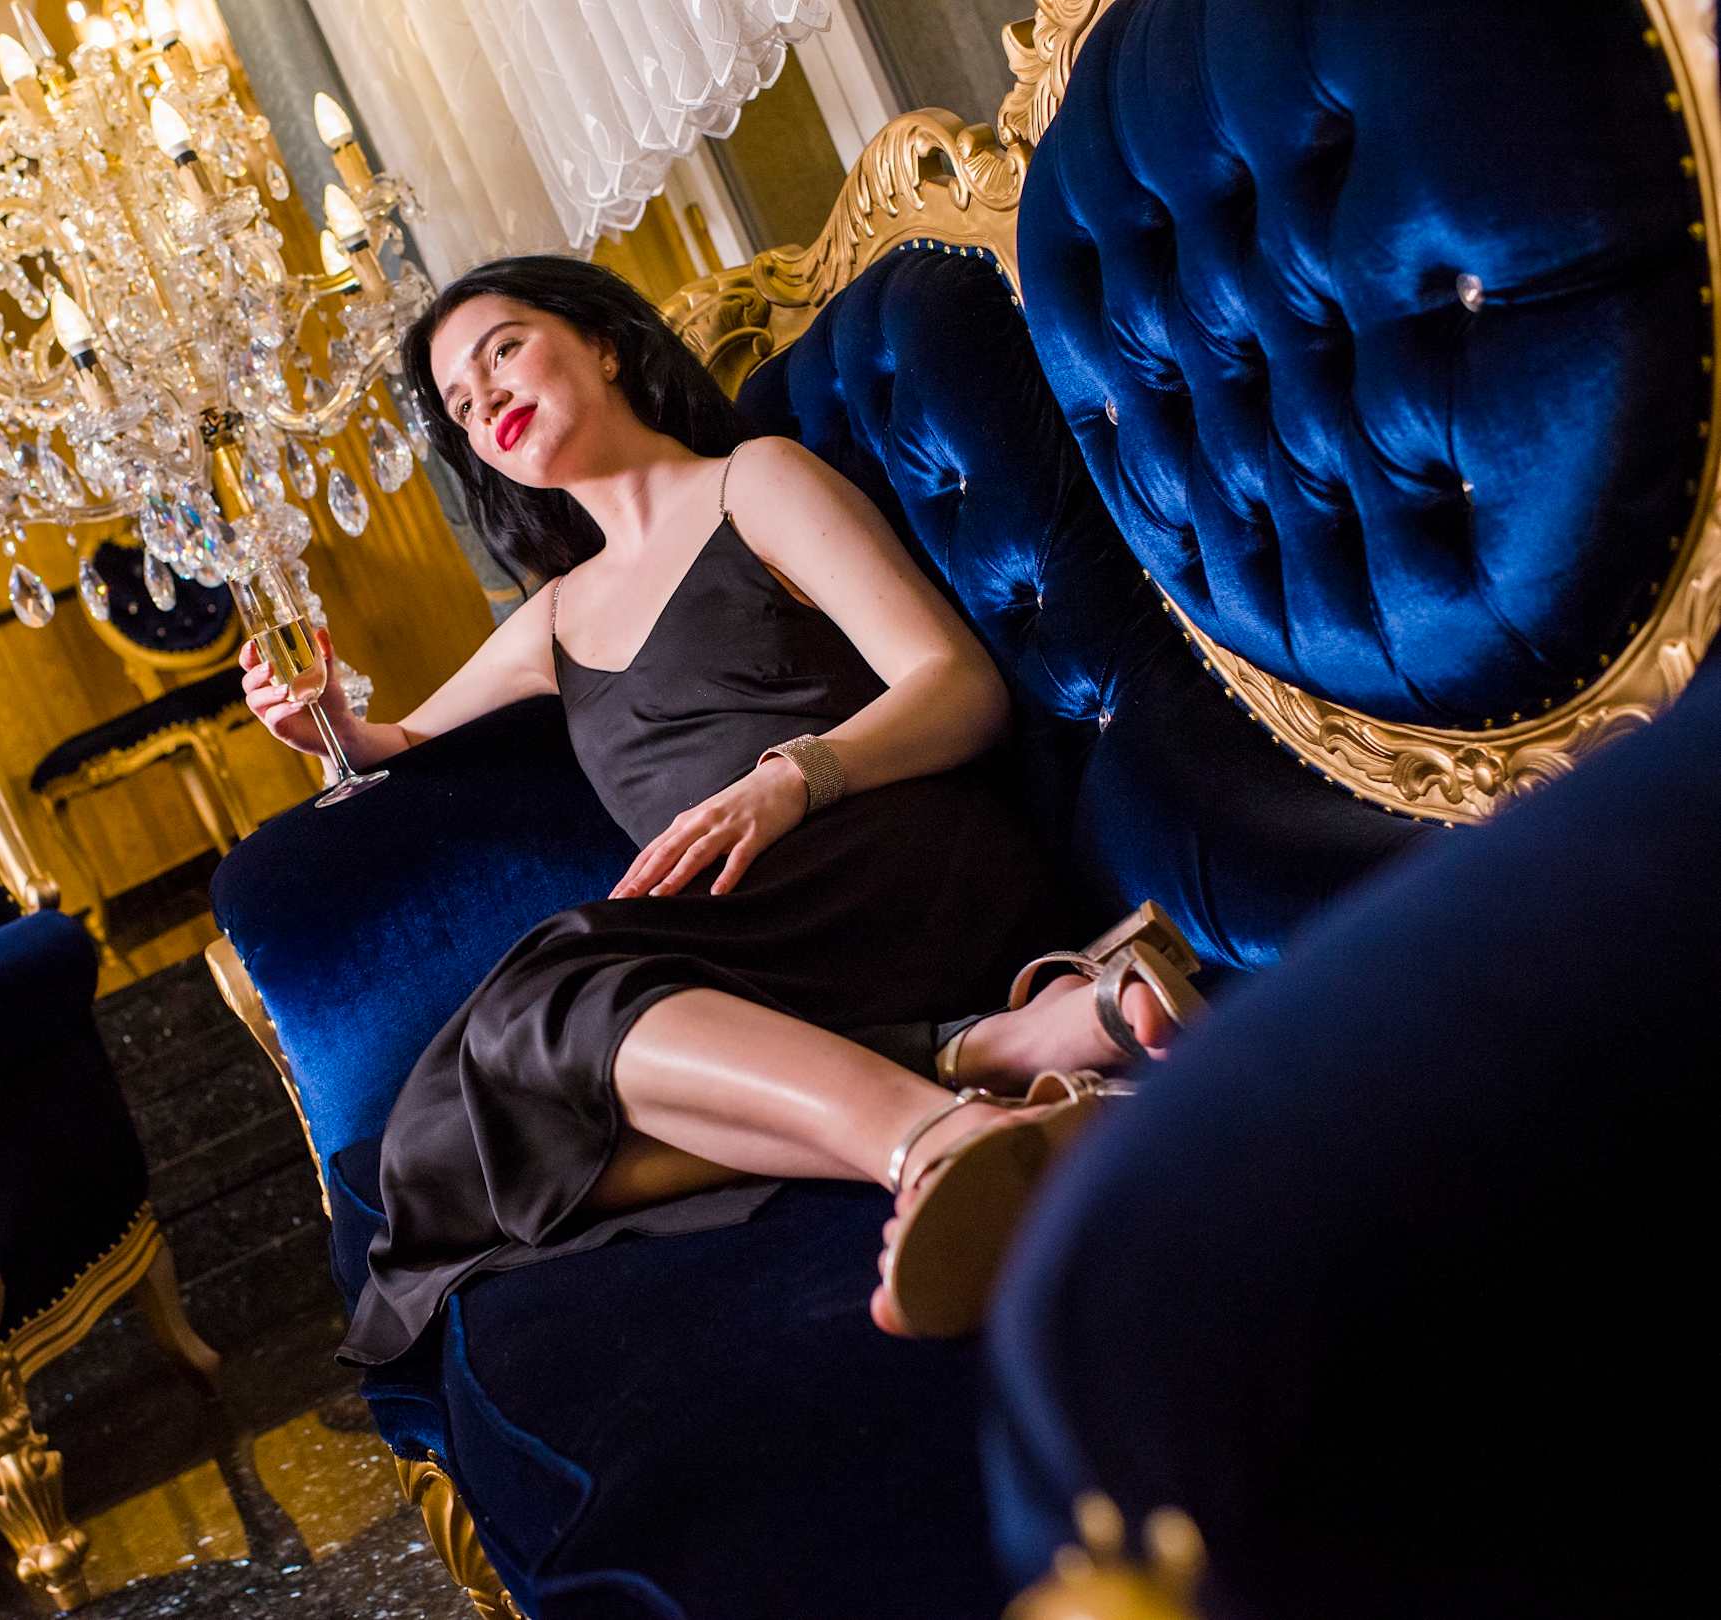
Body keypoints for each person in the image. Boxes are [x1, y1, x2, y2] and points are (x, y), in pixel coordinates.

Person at [238, 256, 1202, 1366]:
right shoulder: (551, 619)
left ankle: (935, 1138)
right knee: (448, 1146)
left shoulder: (754, 483)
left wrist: (787, 780)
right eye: (458, 404)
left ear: (604, 344)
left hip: (886, 863)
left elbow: (959, 687)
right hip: (745, 941)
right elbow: (398, 743)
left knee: (548, 999)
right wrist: (325, 721)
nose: (483, 398)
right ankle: (992, 1052)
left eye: (502, 350)